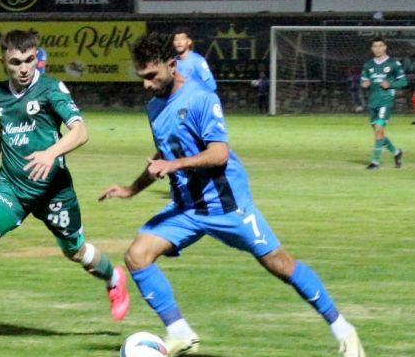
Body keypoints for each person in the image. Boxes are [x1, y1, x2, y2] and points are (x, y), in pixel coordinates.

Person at [98, 32, 366, 357]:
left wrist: (174, 165)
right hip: (186, 208)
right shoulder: (154, 106)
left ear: (172, 65)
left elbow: (219, 154)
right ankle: (181, 334)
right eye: (141, 77)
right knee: (137, 256)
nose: (146, 84)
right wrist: (131, 189)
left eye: (152, 76)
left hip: (226, 205)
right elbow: (165, 151)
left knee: (280, 264)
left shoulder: (201, 98)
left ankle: (345, 331)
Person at [0, 29, 129, 343]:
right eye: (16, 62)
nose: (24, 68)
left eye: (30, 60)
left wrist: (51, 153)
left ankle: (113, 277)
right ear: (3, 61)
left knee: (76, 251)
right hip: (12, 187)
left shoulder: (51, 89)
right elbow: (5, 122)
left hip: (53, 191)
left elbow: (80, 132)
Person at [360, 37, 406, 170]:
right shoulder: (368, 65)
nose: (377, 49)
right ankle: (396, 153)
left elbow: (403, 82)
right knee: (378, 134)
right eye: (375, 46)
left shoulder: (393, 64)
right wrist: (365, 84)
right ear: (372, 48)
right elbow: (363, 81)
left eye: (380, 46)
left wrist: (390, 84)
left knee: (379, 131)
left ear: (385, 47)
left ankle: (375, 162)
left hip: (385, 102)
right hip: (372, 102)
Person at [171, 26, 217, 92]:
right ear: (173, 42)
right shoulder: (172, 63)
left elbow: (211, 85)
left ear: (189, 41)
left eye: (182, 39)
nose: (179, 42)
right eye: (176, 39)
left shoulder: (198, 60)